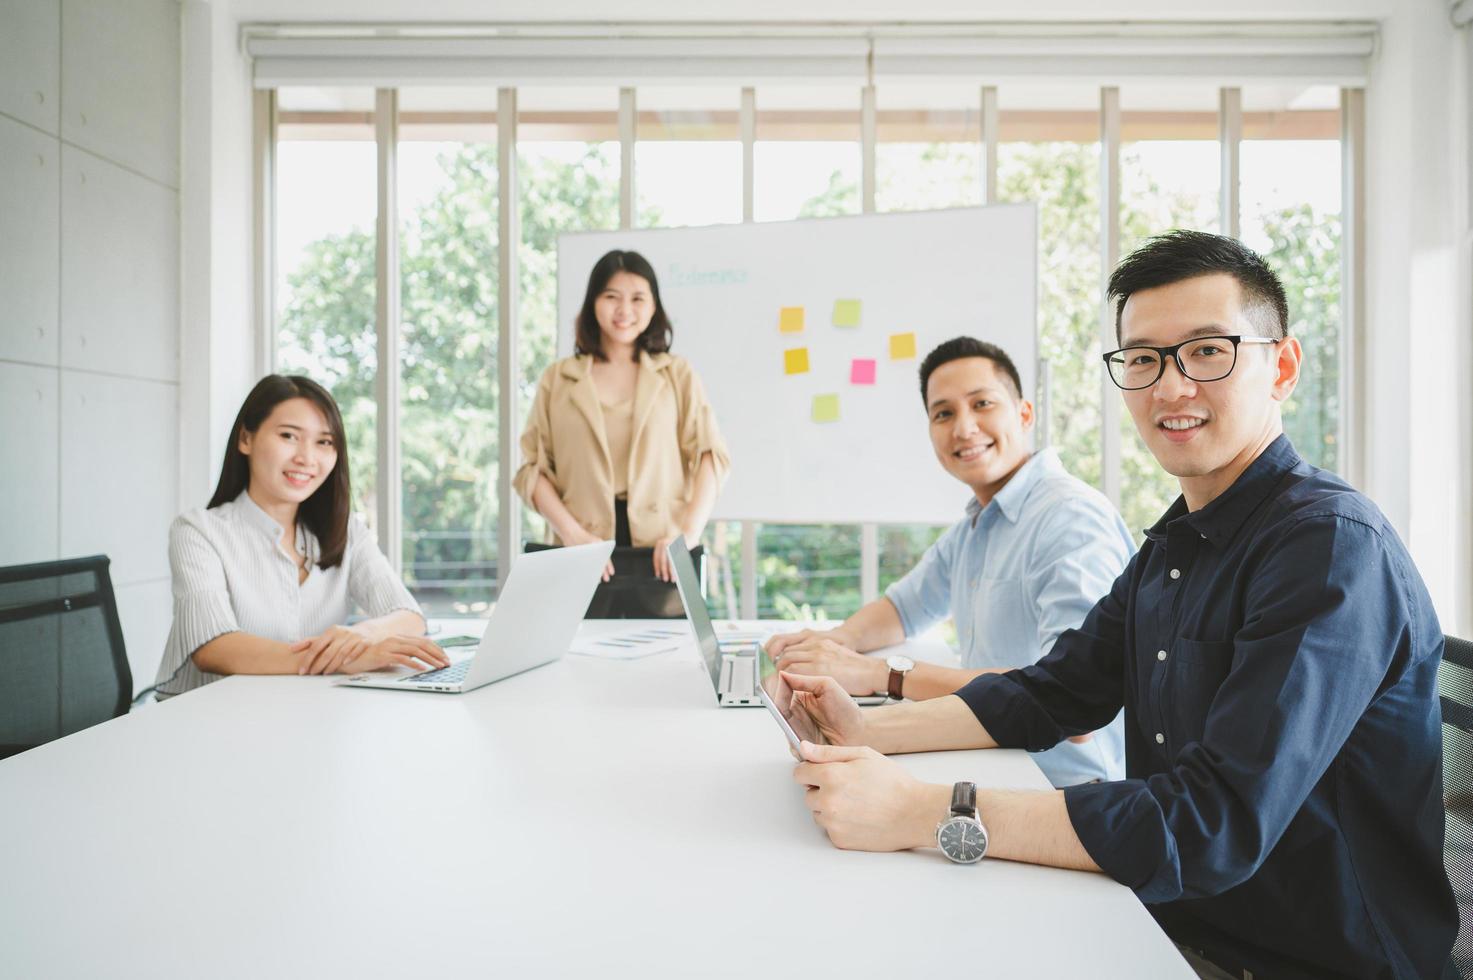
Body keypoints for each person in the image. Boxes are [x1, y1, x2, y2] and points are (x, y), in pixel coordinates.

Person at [780, 231, 1456, 979]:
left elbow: (1210, 826)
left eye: (1206, 352)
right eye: (1141, 359)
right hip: (1164, 921)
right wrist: (871, 732)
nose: (1169, 388)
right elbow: (1051, 692)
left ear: (1282, 367)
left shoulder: (1327, 548)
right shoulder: (1178, 539)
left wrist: (920, 811)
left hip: (1305, 961)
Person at [765, 336, 1134, 787]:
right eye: (944, 413)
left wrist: (882, 675)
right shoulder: (977, 524)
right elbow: (903, 608)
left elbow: (1076, 708)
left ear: (1024, 414)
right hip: (993, 757)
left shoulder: (1069, 520)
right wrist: (833, 645)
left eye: (982, 404)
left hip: (1056, 788)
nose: (963, 428)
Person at [154, 375, 447, 699]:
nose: (307, 458)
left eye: (324, 442)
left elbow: (408, 616)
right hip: (206, 722)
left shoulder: (347, 531)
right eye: (289, 436)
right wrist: (345, 658)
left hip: (301, 715)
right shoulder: (198, 531)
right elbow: (213, 647)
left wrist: (363, 635)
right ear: (246, 439)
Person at [515, 249, 730, 617]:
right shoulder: (558, 378)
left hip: (661, 554)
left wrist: (687, 535)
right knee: (574, 661)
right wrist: (571, 533)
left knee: (663, 662)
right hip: (580, 550)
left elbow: (712, 456)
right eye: (611, 296)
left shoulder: (676, 374)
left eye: (637, 298)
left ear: (653, 307)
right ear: (593, 303)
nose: (624, 310)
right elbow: (531, 471)